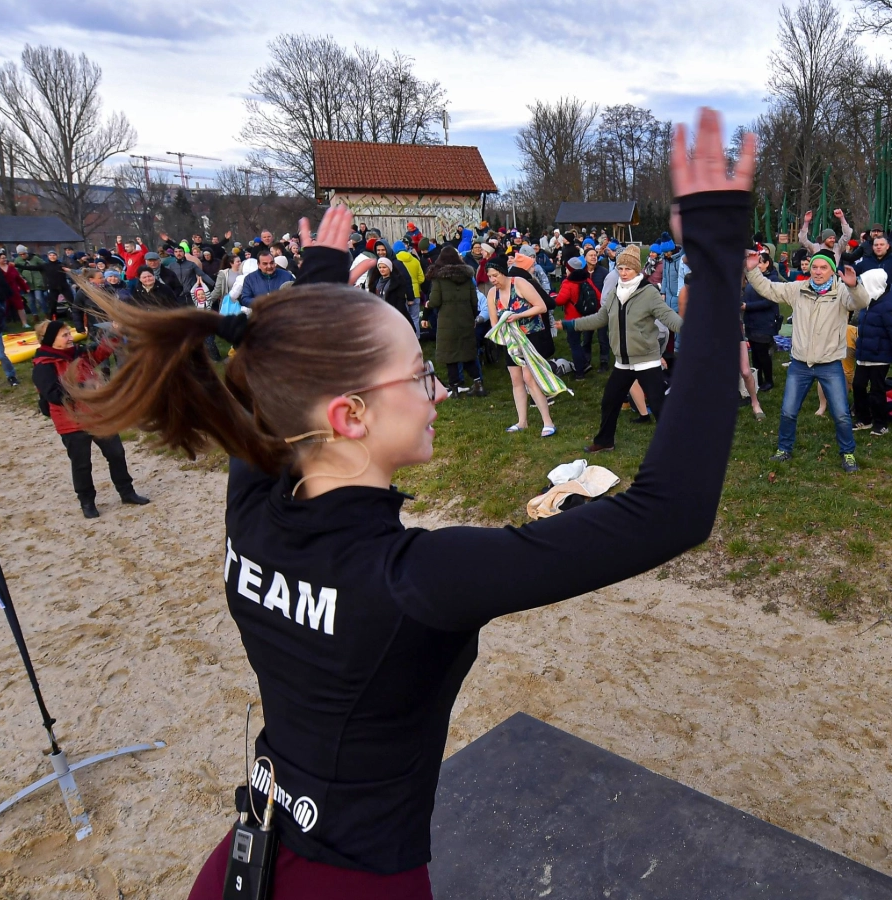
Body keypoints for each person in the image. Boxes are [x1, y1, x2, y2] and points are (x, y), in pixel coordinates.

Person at [69, 112, 750, 900]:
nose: (434, 392)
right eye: (417, 375)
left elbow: (274, 387)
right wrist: (716, 261)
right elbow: (671, 512)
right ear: (351, 416)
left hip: (244, 863)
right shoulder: (414, 582)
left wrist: (320, 281)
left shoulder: (256, 509)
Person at [745, 248, 871, 473]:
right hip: (800, 364)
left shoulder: (841, 292)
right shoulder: (798, 289)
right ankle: (784, 449)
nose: (818, 271)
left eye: (823, 267)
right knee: (788, 411)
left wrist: (854, 286)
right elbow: (769, 289)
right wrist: (753, 270)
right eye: (814, 267)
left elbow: (860, 302)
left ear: (832, 271)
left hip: (830, 364)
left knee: (841, 414)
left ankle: (848, 453)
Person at [31, 320, 150, 518]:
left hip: (98, 416)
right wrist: (86, 388)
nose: (70, 337)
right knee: (82, 464)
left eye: (69, 333)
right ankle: (87, 502)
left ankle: (127, 492)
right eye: (64, 335)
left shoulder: (77, 354)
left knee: (116, 454)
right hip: (71, 422)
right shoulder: (43, 366)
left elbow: (101, 353)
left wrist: (115, 332)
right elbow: (54, 395)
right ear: (51, 339)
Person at [573, 245, 680, 452]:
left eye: (628, 269)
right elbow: (601, 318)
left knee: (659, 406)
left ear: (637, 271)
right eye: (620, 268)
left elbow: (669, 317)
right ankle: (605, 441)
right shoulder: (615, 293)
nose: (623, 273)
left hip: (646, 360)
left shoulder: (648, 293)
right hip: (623, 362)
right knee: (610, 401)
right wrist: (572, 324)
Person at [484, 257, 557, 437]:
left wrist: (518, 316)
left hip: (532, 335)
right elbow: (494, 321)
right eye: (490, 276)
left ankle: (548, 422)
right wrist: (499, 332)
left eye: (495, 275)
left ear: (503, 272)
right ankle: (522, 421)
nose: (492, 279)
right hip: (512, 339)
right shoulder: (492, 294)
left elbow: (541, 307)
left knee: (529, 378)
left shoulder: (520, 284)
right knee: (516, 379)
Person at [851, 268, 892, 435]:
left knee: (877, 390)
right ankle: (864, 418)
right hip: (863, 354)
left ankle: (880, 423)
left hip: (879, 356)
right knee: (858, 386)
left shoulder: (887, 307)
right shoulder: (866, 303)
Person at [425, 248, 485, 397]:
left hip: (447, 321)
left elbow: (435, 300)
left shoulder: (439, 278)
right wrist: (472, 315)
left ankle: (455, 388)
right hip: (465, 319)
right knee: (468, 354)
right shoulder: (467, 276)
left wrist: (428, 305)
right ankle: (478, 383)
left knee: (450, 355)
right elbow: (474, 300)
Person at [742, 251, 781, 392]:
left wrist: (748, 306)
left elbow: (769, 302)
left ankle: (769, 380)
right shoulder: (751, 278)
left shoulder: (773, 280)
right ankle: (758, 379)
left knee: (762, 353)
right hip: (751, 321)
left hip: (764, 322)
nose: (757, 265)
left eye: (760, 262)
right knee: (755, 353)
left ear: (766, 264)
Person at [555, 256, 599, 377]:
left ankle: (580, 372)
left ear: (570, 269)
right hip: (587, 317)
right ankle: (585, 363)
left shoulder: (568, 283)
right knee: (580, 343)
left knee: (574, 344)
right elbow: (597, 295)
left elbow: (560, 300)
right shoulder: (587, 279)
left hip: (572, 319)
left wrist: (553, 296)